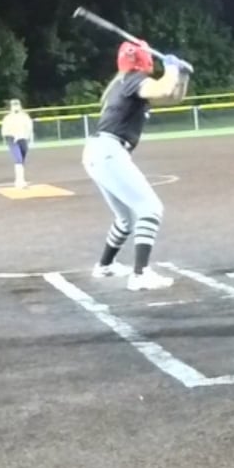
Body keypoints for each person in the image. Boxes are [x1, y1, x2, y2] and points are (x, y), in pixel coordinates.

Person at [82, 39, 192, 291]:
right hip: (109, 151)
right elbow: (164, 88)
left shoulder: (123, 83)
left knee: (126, 219)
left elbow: (173, 97)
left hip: (100, 151)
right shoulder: (133, 80)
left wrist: (182, 75)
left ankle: (104, 266)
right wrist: (171, 68)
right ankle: (140, 274)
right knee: (150, 209)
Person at [0, 99, 34, 189]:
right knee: (18, 159)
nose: (16, 107)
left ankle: (21, 179)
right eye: (14, 105)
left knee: (21, 159)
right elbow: (4, 131)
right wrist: (8, 137)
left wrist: (29, 138)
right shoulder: (7, 118)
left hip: (23, 139)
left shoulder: (25, 116)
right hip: (12, 139)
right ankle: (19, 181)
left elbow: (29, 128)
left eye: (17, 104)